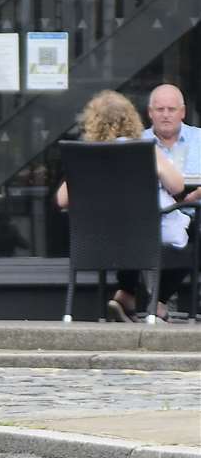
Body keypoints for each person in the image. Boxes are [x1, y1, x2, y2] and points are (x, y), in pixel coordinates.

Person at [56, 89, 188, 322]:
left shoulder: (85, 156)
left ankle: (124, 296)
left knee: (131, 230)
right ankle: (156, 303)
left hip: (99, 242)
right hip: (147, 238)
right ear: (132, 119)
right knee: (191, 237)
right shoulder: (144, 150)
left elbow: (61, 200)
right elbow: (177, 186)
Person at [143, 84, 201, 208]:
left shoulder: (199, 138)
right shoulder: (136, 142)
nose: (165, 115)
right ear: (150, 112)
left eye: (171, 109)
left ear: (183, 112)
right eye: (160, 109)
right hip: (152, 221)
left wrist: (198, 194)